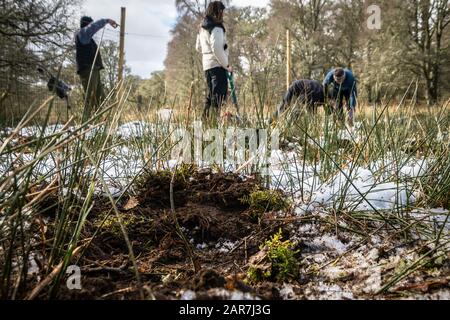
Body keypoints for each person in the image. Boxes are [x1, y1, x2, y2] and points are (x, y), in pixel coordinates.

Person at [75, 16, 118, 120]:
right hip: (88, 70)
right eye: (91, 24)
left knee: (100, 97)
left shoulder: (87, 38)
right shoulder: (83, 33)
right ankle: (85, 123)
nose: (93, 30)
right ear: (87, 25)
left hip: (93, 70)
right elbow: (93, 27)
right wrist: (107, 20)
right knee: (91, 97)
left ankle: (96, 121)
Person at [196, 1, 232, 121]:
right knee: (219, 96)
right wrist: (226, 65)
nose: (223, 14)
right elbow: (217, 49)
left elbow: (198, 47)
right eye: (222, 11)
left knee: (212, 95)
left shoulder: (202, 28)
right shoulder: (217, 28)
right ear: (219, 12)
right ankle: (212, 123)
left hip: (207, 66)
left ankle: (204, 121)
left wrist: (208, 53)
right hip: (217, 65)